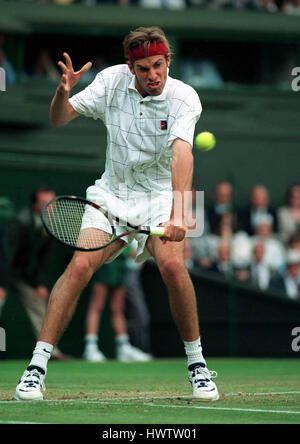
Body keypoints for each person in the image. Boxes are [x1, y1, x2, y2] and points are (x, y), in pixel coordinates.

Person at [15, 26, 219, 402]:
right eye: (143, 69)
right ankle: (36, 368)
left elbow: (182, 155)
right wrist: (62, 94)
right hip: (113, 195)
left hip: (161, 198)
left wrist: (179, 214)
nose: (153, 75)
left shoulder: (184, 97)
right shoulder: (109, 82)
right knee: (78, 268)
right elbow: (60, 118)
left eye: (158, 65)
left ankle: (198, 366)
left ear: (168, 61)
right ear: (131, 67)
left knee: (173, 268)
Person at [1, 188, 69, 361]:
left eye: (52, 203)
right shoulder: (19, 222)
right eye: (44, 203)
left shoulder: (48, 225)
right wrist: (1, 284)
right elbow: (6, 254)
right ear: (34, 204)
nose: (50, 207)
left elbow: (43, 259)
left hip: (23, 275)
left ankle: (49, 351)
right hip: (4, 270)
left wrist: (38, 284)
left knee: (38, 302)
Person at [82, 247, 151, 362]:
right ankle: (91, 347)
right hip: (106, 260)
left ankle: (123, 347)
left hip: (122, 262)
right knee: (97, 306)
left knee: (118, 307)